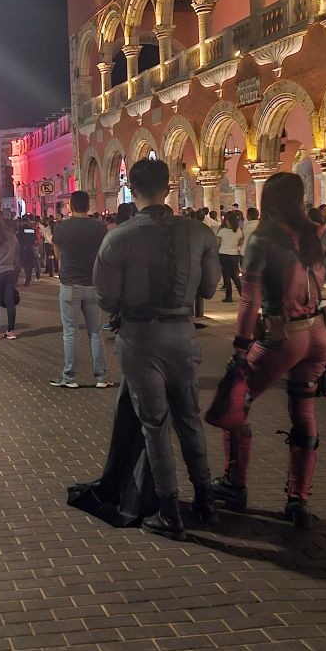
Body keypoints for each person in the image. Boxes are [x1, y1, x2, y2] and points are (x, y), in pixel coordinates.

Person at [207, 172, 326, 531]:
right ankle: (298, 500)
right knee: (304, 412)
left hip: (280, 335)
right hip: (318, 334)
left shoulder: (264, 238)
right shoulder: (324, 235)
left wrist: (241, 348)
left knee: (236, 405)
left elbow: (250, 298)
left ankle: (235, 483)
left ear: (269, 202)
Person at [95, 159, 220, 540]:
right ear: (168, 187)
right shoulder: (199, 233)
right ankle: (205, 498)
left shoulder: (118, 237)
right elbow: (211, 287)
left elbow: (106, 296)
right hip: (182, 333)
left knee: (155, 424)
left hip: (140, 337)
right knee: (189, 417)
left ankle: (169, 510)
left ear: (132, 189)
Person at [50, 190, 113, 389]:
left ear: (71, 205)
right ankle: (101, 377)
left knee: (70, 332)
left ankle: (69, 377)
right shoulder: (100, 227)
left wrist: (63, 264)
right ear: (88, 205)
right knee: (95, 332)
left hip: (69, 284)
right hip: (93, 284)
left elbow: (56, 250)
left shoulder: (62, 227)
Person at [216, 211, 244, 303]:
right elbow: (240, 242)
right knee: (235, 276)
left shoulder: (222, 231)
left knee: (226, 276)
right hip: (234, 255)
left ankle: (229, 296)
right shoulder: (239, 231)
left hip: (223, 254)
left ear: (227, 221)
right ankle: (243, 294)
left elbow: (217, 243)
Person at [16, 217, 39, 287]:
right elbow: (36, 241)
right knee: (29, 266)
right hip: (30, 249)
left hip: (22, 249)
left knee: (19, 265)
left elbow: (17, 239)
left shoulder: (20, 229)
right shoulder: (32, 230)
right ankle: (27, 281)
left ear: (22, 222)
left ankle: (15, 280)